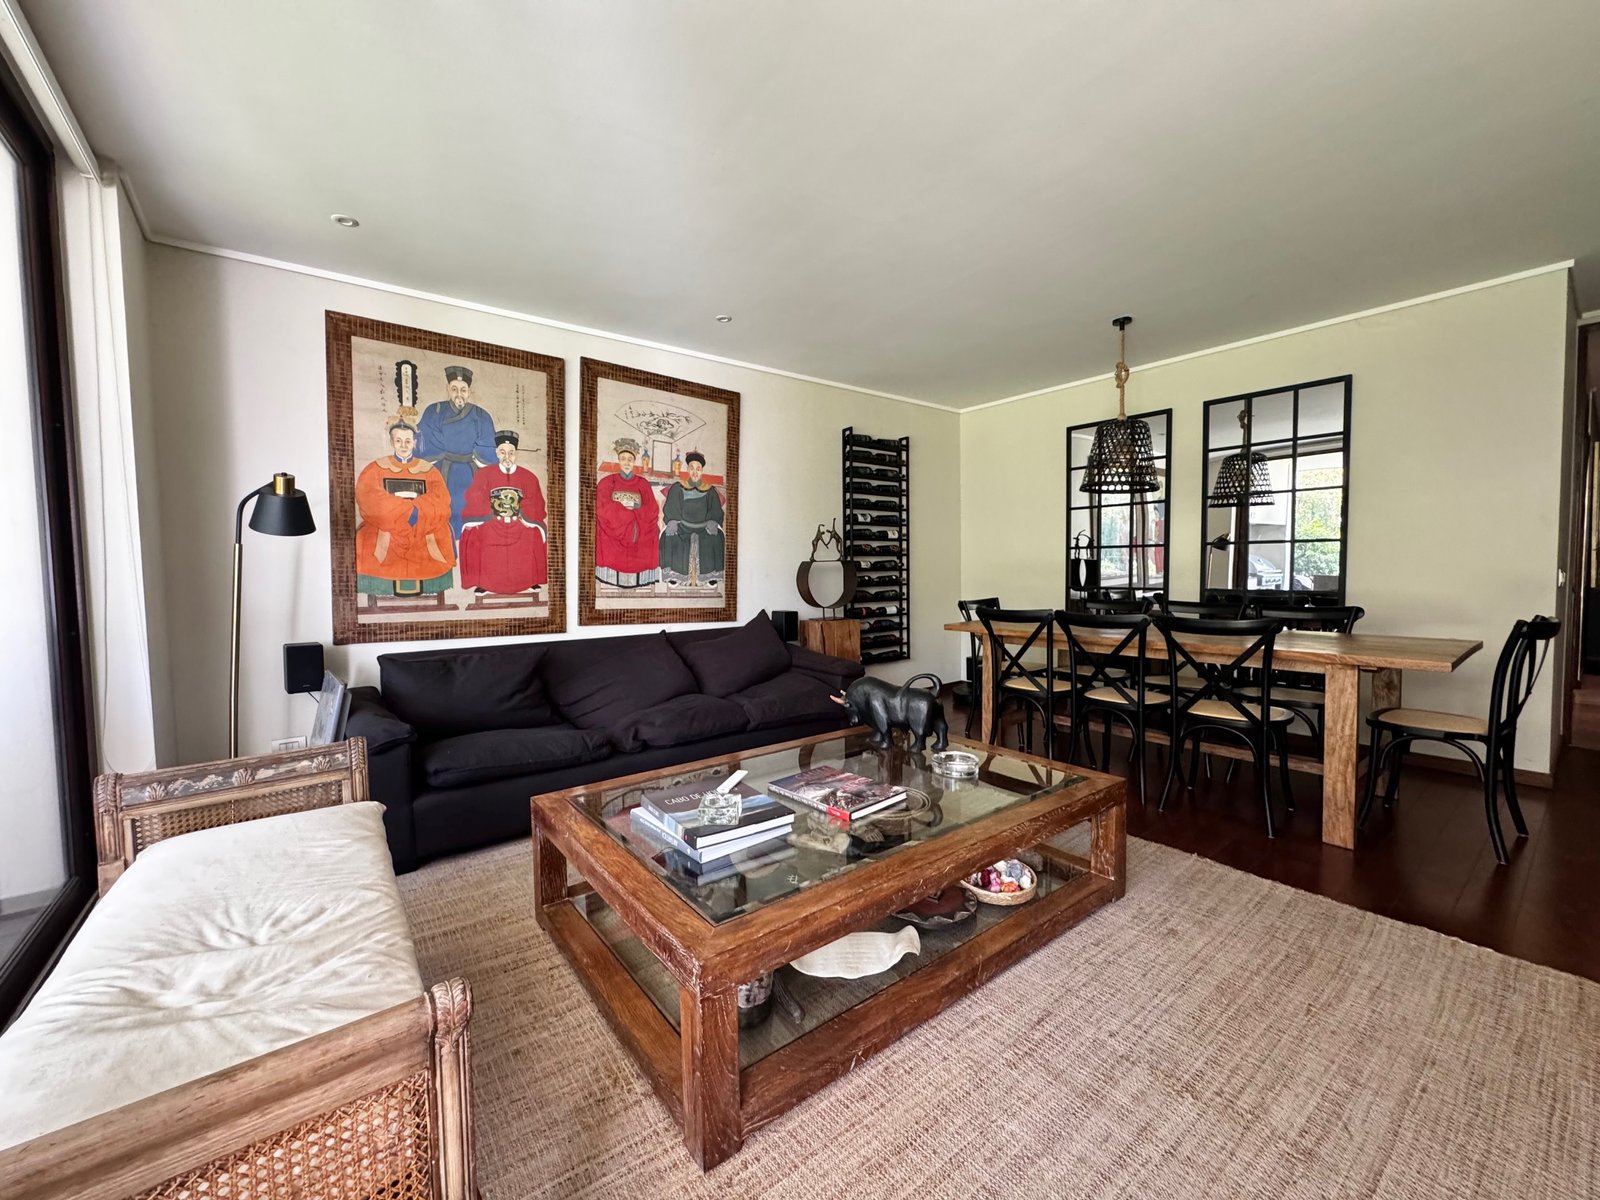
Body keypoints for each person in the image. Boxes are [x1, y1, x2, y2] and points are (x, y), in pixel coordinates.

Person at [355, 422, 456, 597]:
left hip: (423, 522)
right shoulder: (376, 468)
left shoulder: (429, 470)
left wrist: (418, 511)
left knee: (442, 534)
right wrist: (405, 512)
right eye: (398, 441)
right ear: (391, 442)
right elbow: (368, 496)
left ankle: (433, 587)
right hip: (387, 523)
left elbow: (441, 499)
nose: (403, 445)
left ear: (414, 442)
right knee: (366, 537)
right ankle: (378, 589)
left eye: (408, 441)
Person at [416, 364, 496, 541]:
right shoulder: (434, 411)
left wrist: (476, 453)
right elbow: (426, 440)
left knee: (473, 511)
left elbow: (488, 446)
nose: (458, 394)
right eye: (454, 389)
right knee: (441, 511)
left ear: (469, 392)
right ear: (447, 389)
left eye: (463, 390)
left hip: (471, 472)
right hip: (442, 469)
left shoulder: (481, 415)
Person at [594, 437, 660, 588]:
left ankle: (640, 580)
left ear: (634, 462)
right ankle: (611, 579)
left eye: (630, 459)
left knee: (652, 534)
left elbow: (652, 509)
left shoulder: (643, 483)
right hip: (614, 526)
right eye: (623, 459)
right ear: (618, 460)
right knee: (602, 533)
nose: (626, 462)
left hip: (639, 526)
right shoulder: (607, 482)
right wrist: (624, 514)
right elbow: (601, 506)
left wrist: (636, 514)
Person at [458, 486, 548, 595]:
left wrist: (529, 521)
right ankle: (484, 583)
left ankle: (530, 581)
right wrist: (473, 522)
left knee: (532, 538)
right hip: (492, 524)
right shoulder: (486, 519)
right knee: (478, 539)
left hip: (518, 524)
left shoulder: (523, 520)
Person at [658, 449, 725, 587]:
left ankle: (710, 575)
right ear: (688, 469)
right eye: (692, 468)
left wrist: (713, 521)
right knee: (669, 535)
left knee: (716, 536)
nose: (695, 472)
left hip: (704, 527)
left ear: (702, 471)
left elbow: (715, 511)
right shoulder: (678, 487)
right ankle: (674, 575)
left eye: (698, 469)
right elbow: (671, 509)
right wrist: (672, 521)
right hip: (682, 526)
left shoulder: (710, 490)